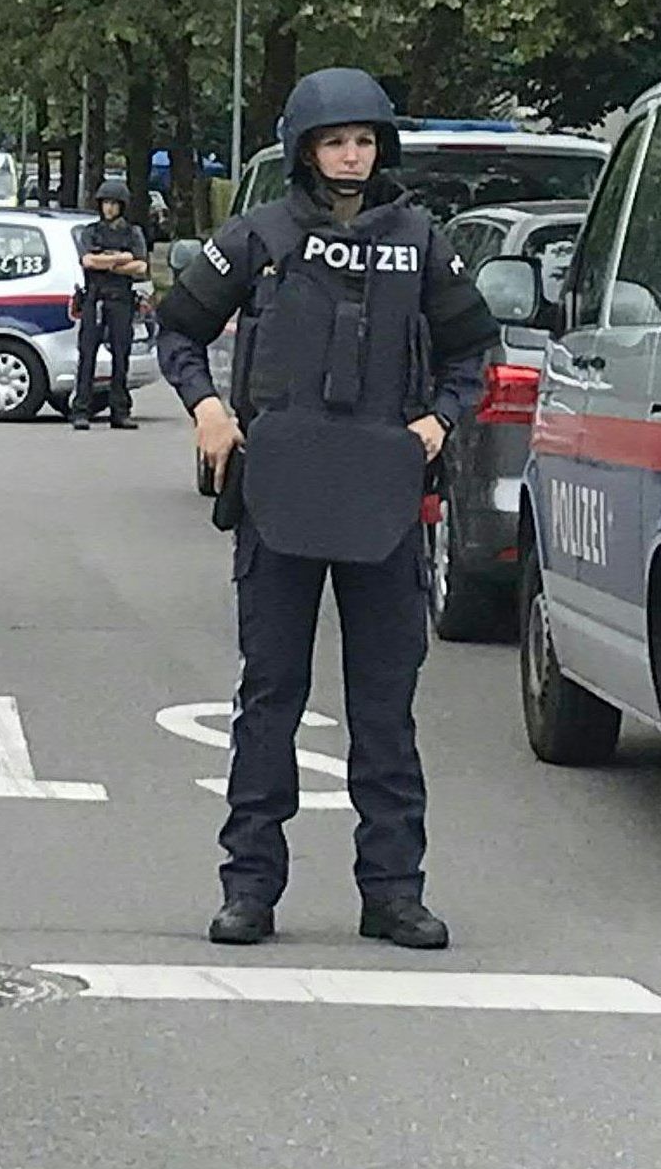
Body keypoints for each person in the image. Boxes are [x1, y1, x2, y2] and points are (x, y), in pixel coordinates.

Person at [155, 69, 498, 950]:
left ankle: (393, 892)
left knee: (386, 707)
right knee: (271, 698)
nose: (353, 156)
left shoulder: (419, 241)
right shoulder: (262, 235)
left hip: (383, 497)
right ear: (307, 147)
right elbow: (180, 325)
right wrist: (207, 410)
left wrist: (436, 423)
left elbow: (473, 350)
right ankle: (250, 889)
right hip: (280, 494)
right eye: (337, 141)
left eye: (366, 141)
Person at [71, 178, 150, 430]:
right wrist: (121, 259)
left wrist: (108, 259)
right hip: (94, 298)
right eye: (106, 203)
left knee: (121, 355)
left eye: (114, 204)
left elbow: (141, 265)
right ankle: (81, 409)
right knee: (87, 355)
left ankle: (120, 410)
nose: (109, 208)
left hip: (121, 300)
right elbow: (88, 262)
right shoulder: (90, 231)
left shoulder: (133, 232)